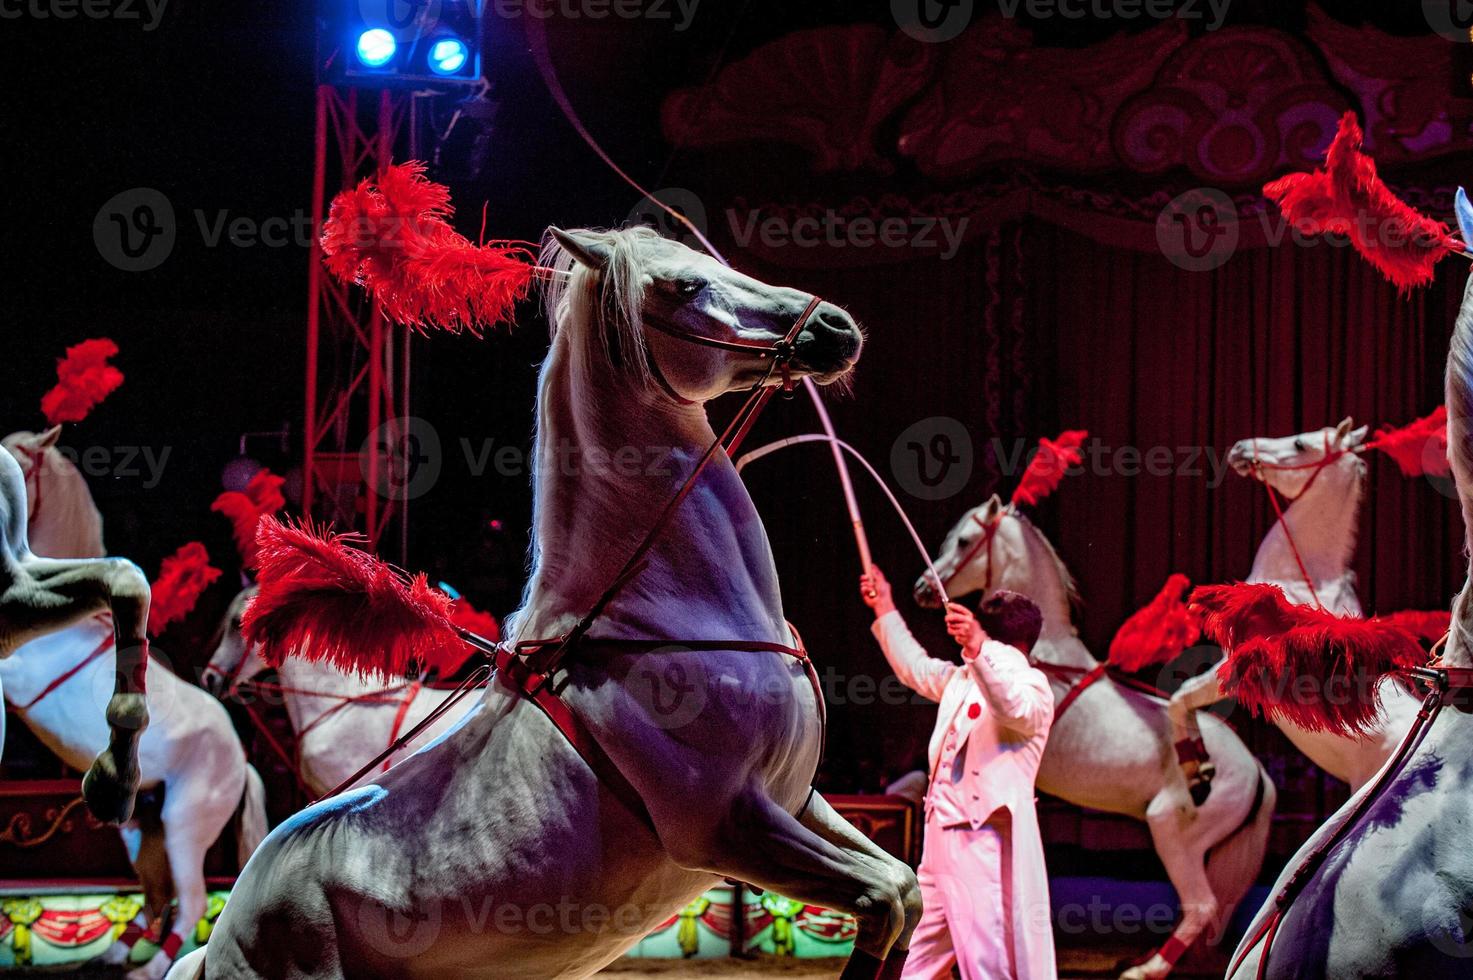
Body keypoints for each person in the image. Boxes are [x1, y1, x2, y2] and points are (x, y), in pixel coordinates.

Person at [861, 565, 1056, 980]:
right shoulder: (962, 680)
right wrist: (886, 606)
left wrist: (977, 650)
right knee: (917, 953)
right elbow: (914, 665)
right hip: (939, 840)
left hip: (981, 836)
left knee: (985, 958)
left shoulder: (1033, 685)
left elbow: (1012, 708)